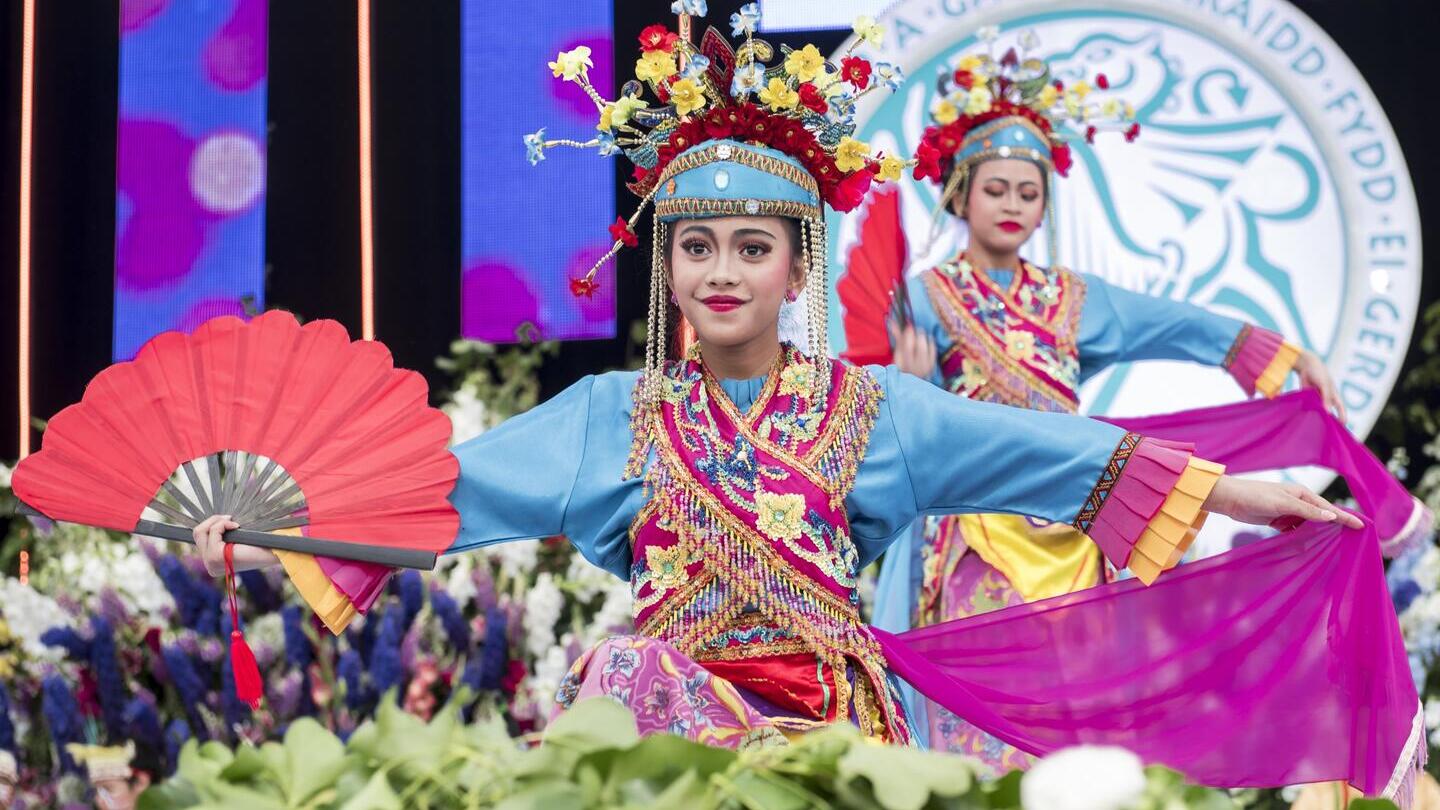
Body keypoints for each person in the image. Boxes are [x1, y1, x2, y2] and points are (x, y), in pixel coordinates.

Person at [190, 10, 1354, 749]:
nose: (722, 271)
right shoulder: (615, 418)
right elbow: (445, 492)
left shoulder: (876, 413)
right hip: (661, 730)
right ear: (667, 264)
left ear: (799, 265)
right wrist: (277, 524)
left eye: (753, 247)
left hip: (830, 737)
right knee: (630, 666)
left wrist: (1241, 495)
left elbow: (1059, 457)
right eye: (697, 246)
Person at [851, 35, 1343, 766]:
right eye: (996, 188)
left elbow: (1175, 322)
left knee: (1074, 701)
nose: (1012, 204)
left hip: (1074, 517)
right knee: (978, 694)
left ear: (1047, 202)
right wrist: (911, 388)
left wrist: (1276, 354)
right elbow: (874, 419)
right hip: (971, 526)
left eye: (1029, 191)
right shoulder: (922, 300)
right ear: (959, 192)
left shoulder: (1073, 301)